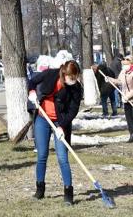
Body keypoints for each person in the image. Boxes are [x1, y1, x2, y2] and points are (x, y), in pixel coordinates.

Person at [28, 60, 83, 205]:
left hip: (61, 122)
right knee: (42, 155)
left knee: (62, 158)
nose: (74, 80)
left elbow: (73, 110)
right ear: (64, 74)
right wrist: (32, 92)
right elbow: (32, 81)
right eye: (72, 78)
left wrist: (62, 126)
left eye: (76, 77)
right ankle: (40, 189)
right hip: (42, 119)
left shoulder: (76, 88)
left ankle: (68, 193)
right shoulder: (50, 75)